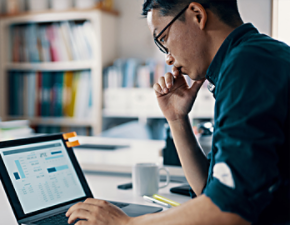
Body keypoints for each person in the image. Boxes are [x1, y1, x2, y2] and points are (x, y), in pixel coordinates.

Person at [66, 0, 290, 224]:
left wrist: (126, 223)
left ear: (197, 15)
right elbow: (210, 190)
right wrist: (177, 118)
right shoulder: (252, 57)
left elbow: (229, 208)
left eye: (163, 39)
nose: (168, 58)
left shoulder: (248, 66)